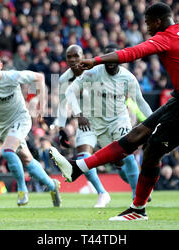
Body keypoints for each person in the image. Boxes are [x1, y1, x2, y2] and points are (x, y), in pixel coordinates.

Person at [50, 2, 179, 221]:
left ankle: (138, 209)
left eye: (148, 23)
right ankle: (77, 168)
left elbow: (133, 53)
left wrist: (96, 60)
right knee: (137, 135)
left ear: (158, 21)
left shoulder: (165, 36)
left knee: (151, 152)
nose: (147, 28)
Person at [0, 51, 61, 207]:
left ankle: (22, 190)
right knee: (27, 159)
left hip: (20, 119)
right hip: (2, 127)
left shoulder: (12, 76)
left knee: (7, 151)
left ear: (1, 66)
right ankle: (52, 186)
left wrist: (41, 106)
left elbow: (40, 77)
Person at [65, 43, 153, 203]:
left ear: (120, 59)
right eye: (107, 59)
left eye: (114, 58)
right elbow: (70, 91)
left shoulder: (128, 78)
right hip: (93, 121)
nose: (110, 62)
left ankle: (137, 196)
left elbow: (141, 102)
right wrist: (79, 114)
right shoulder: (92, 73)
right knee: (113, 162)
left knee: (126, 156)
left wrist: (154, 122)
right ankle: (104, 192)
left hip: (118, 120)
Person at [54, 44, 111, 208]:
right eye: (69, 57)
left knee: (122, 161)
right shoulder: (65, 79)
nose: (72, 60)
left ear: (83, 56)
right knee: (83, 158)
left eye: (75, 56)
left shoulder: (97, 71)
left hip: (108, 120)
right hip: (86, 123)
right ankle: (102, 193)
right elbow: (63, 105)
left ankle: (139, 193)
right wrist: (60, 127)